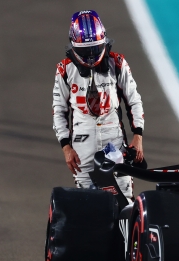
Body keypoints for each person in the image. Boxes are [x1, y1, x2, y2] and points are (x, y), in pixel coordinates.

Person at [52, 10, 144, 201]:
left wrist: (138, 136)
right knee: (87, 203)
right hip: (82, 144)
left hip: (114, 140)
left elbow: (134, 100)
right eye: (87, 51)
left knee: (124, 200)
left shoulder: (117, 64)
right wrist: (66, 148)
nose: (92, 55)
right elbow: (58, 111)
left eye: (95, 48)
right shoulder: (64, 70)